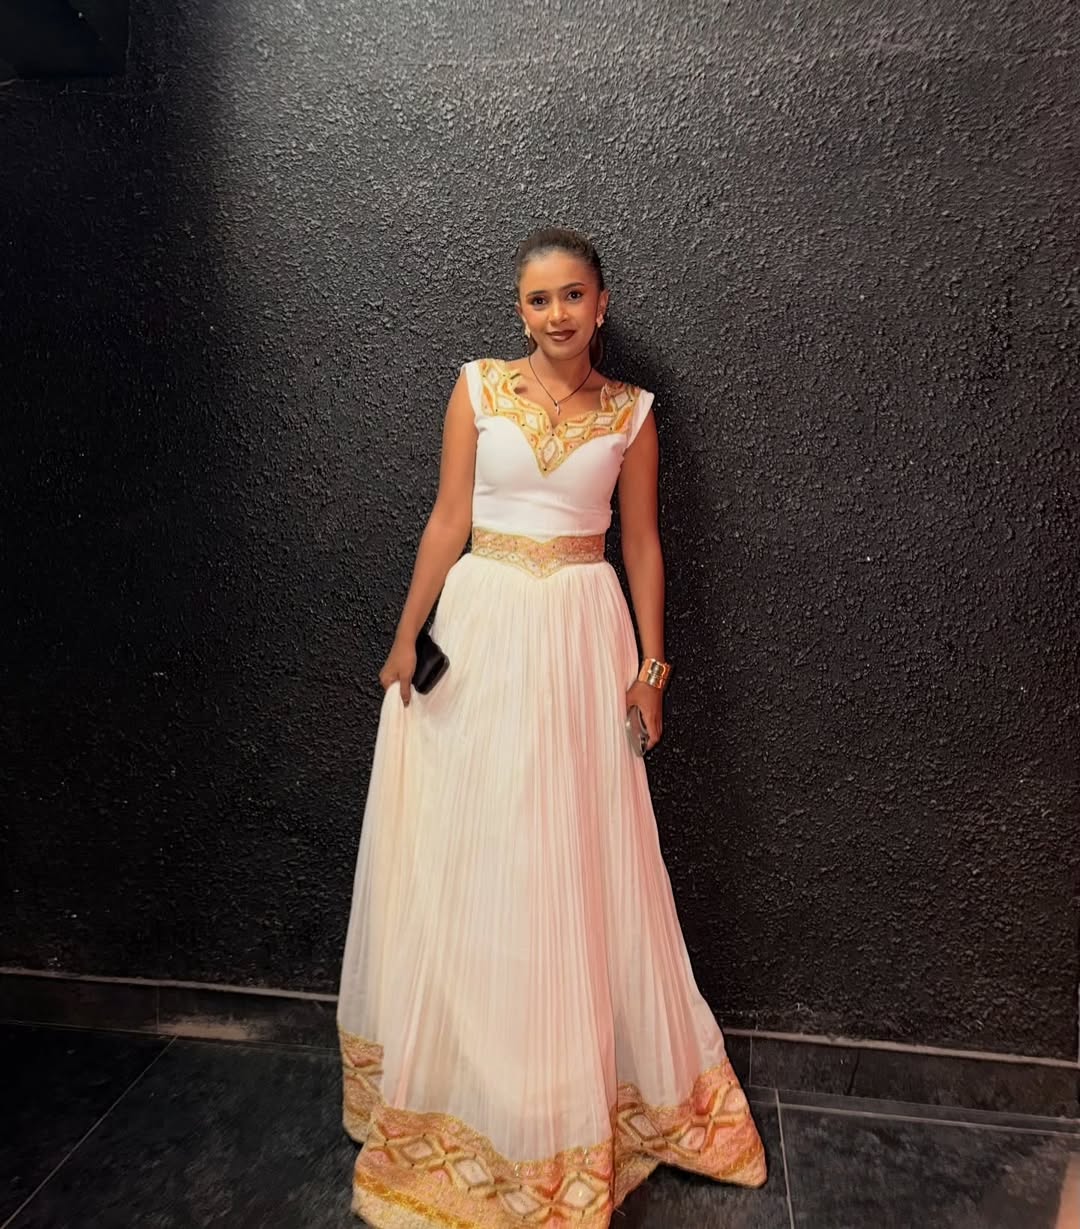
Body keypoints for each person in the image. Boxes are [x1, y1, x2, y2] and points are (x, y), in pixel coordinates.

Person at [336, 226, 766, 1228]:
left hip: (581, 638)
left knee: (569, 855)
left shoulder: (633, 413)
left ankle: (563, 1096)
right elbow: (447, 519)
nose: (557, 313)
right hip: (479, 630)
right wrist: (404, 637)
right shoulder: (478, 388)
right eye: (539, 299)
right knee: (475, 850)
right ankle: (472, 1090)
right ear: (519, 308)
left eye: (574, 295)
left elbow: (643, 544)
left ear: (601, 304)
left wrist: (651, 670)